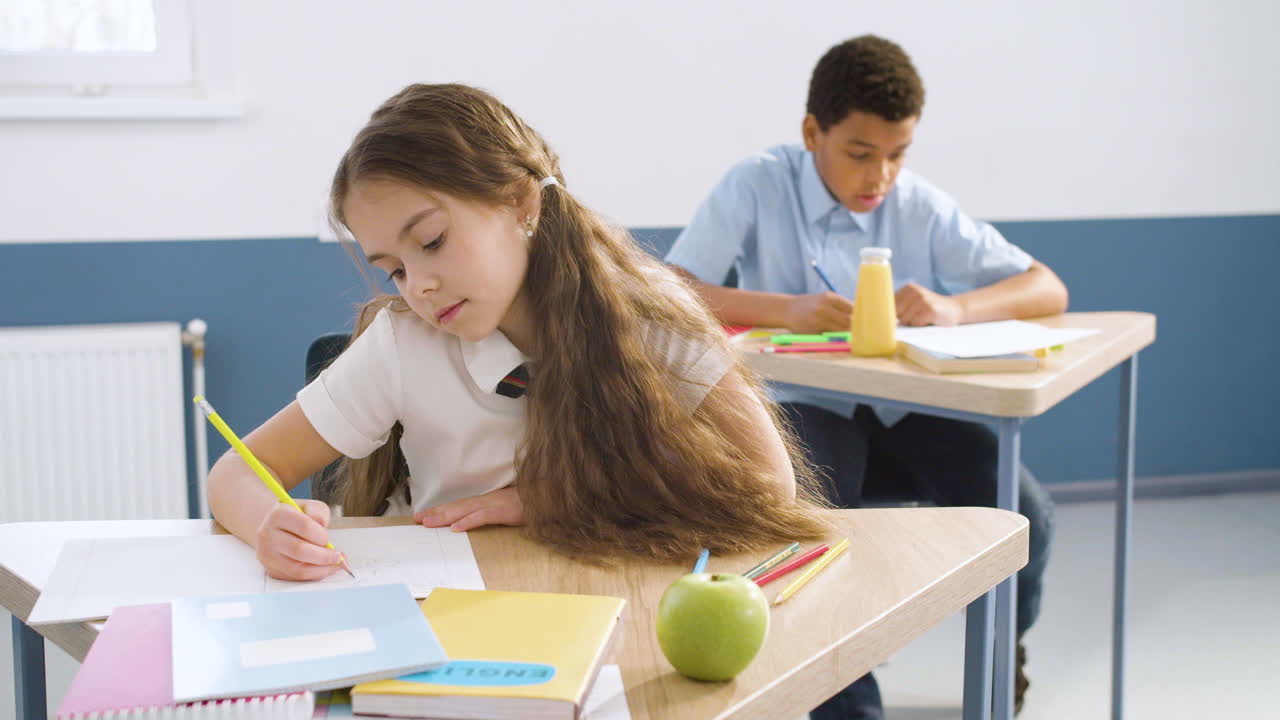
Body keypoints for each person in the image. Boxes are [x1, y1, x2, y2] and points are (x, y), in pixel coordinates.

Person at [207, 83, 832, 590]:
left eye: (430, 242)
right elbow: (236, 473)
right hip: (443, 618)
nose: (417, 286)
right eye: (394, 269)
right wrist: (269, 523)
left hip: (608, 599)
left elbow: (768, 487)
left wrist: (554, 498)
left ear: (520, 203)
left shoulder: (653, 316)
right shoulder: (402, 345)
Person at [665, 35, 1067, 717]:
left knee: (1026, 510)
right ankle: (845, 704)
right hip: (808, 405)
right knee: (819, 534)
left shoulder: (919, 204)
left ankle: (1004, 653)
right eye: (859, 154)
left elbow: (1046, 286)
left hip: (905, 410)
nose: (879, 176)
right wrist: (782, 308)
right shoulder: (757, 183)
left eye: (897, 154)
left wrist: (954, 306)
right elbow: (669, 288)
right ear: (812, 133)